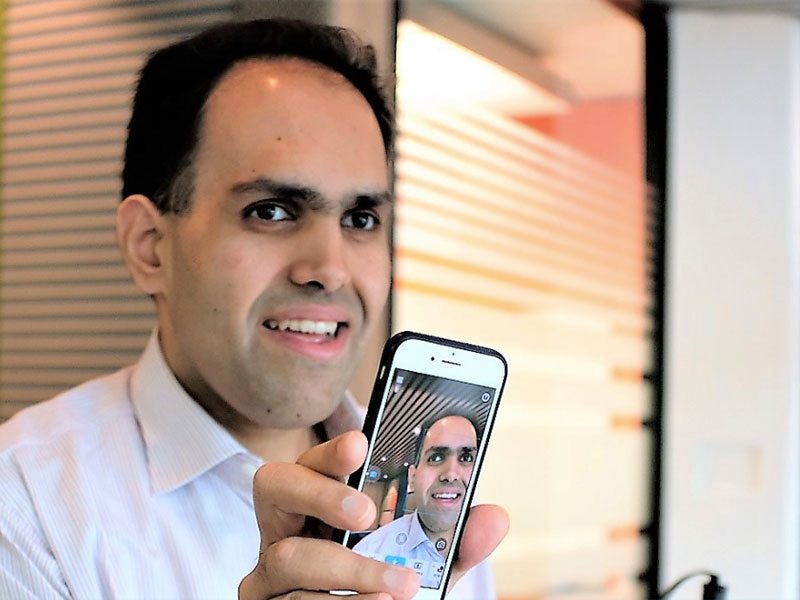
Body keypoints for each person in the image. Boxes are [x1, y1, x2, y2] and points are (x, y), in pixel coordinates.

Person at [0, 18, 508, 600]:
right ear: (150, 248)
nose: (331, 268)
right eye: (271, 211)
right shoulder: (25, 508)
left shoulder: (433, 500)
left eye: (360, 219)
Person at [354, 414, 480, 589]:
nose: (451, 474)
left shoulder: (481, 546)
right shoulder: (369, 551)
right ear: (412, 477)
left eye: (466, 458)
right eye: (436, 458)